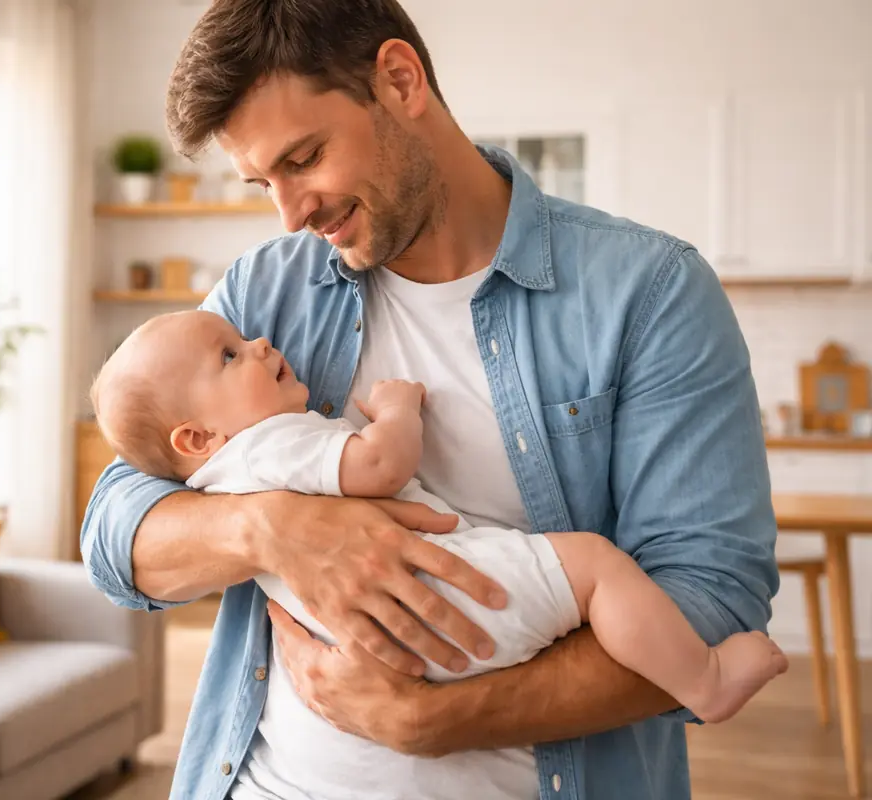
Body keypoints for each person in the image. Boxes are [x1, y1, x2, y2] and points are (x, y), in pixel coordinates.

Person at [81, 1, 781, 798]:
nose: (289, 212)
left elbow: (712, 597)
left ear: (401, 80)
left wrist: (435, 720)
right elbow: (115, 529)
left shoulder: (649, 293)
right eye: (262, 182)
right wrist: (272, 528)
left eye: (304, 158)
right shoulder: (266, 292)